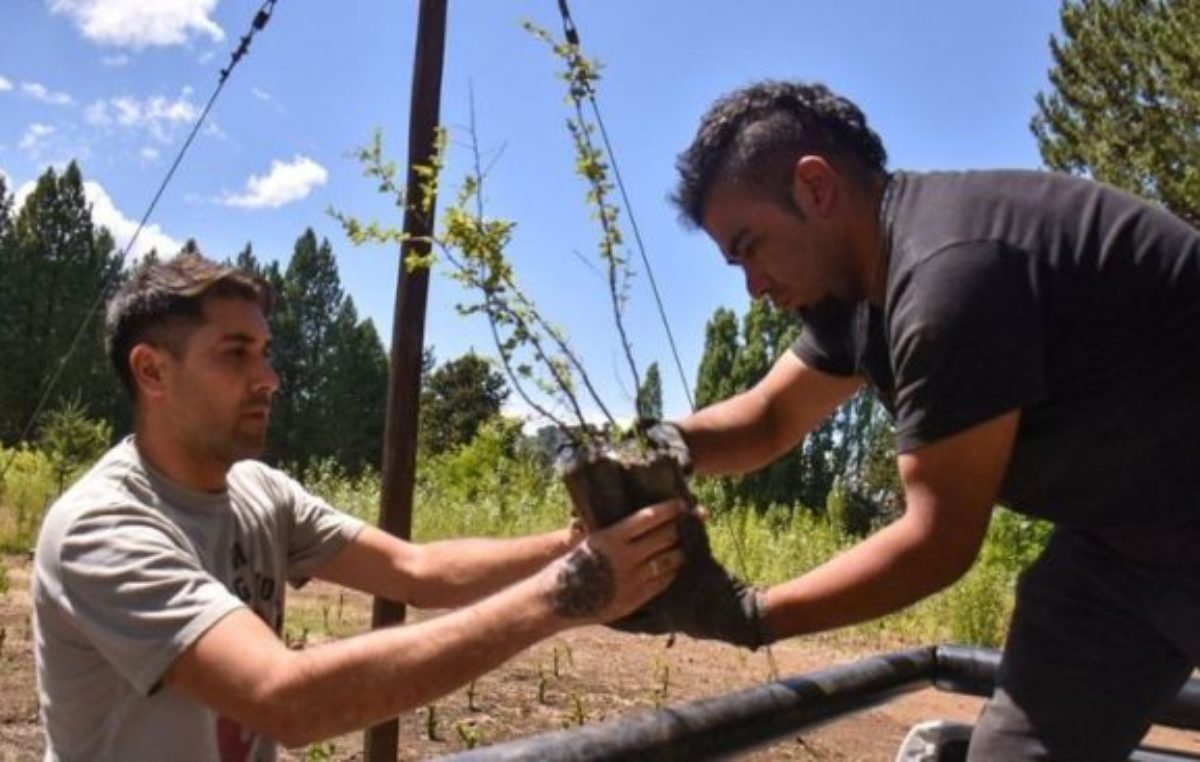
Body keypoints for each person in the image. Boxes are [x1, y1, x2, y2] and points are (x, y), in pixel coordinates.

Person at [643, 80, 1200, 760]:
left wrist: (750, 614)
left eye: (750, 245)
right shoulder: (860, 292)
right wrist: (651, 450)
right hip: (1121, 548)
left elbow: (936, 542)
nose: (753, 286)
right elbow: (769, 417)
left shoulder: (948, 279)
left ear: (816, 188)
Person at [32, 253, 686, 760]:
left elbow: (419, 570)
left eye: (266, 353)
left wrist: (566, 547)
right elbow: (285, 701)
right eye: (235, 355)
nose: (268, 379)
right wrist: (562, 596)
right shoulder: (103, 527)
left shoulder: (263, 492)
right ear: (152, 372)